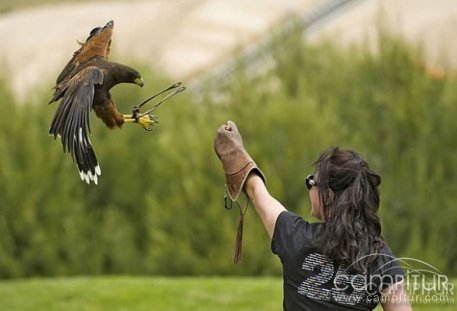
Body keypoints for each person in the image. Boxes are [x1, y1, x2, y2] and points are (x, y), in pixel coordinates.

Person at [214, 120, 412, 311]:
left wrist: (234, 150)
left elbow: (256, 192)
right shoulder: (379, 257)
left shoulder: (294, 237)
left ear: (328, 194)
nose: (309, 189)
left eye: (312, 182)